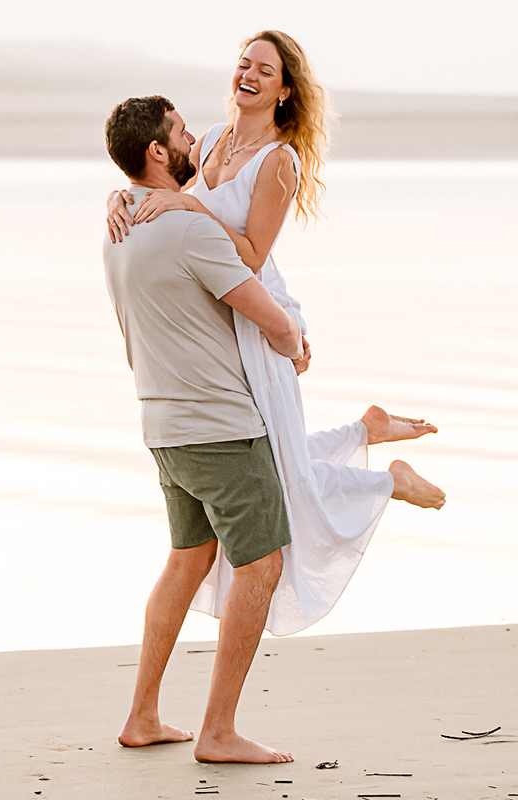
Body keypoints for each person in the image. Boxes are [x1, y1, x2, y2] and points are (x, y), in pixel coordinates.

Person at [106, 31, 445, 637]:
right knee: (279, 460)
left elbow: (252, 256)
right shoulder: (206, 139)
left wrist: (191, 211)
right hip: (221, 321)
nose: (251, 75)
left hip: (260, 320)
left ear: (284, 90)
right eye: (244, 64)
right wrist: (119, 194)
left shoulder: (278, 162)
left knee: (285, 475)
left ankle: (388, 481)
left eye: (266, 70)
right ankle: (366, 430)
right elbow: (156, 179)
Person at [103, 94, 305, 763]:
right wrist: (295, 342)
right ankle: (218, 730)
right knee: (261, 565)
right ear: (158, 152)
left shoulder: (119, 224)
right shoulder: (192, 232)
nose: (195, 140)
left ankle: (143, 715)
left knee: (188, 559)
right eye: (182, 134)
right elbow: (265, 310)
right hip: (219, 427)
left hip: (161, 423)